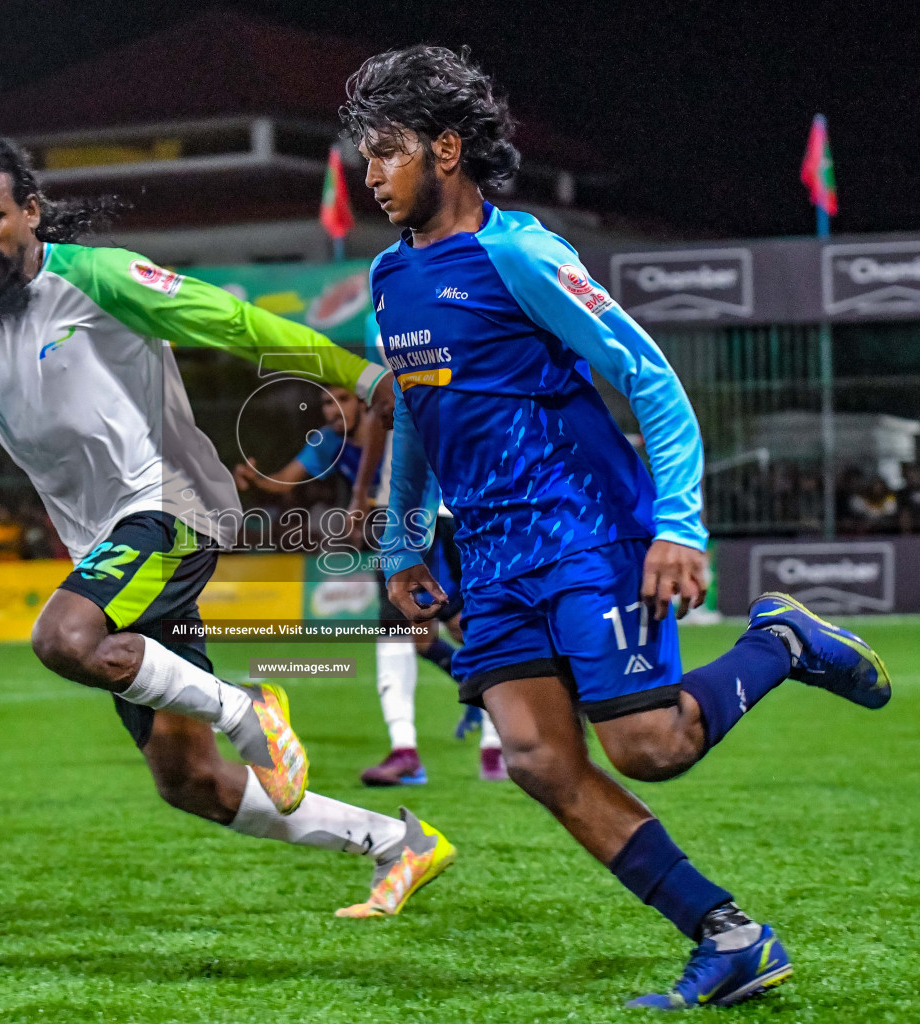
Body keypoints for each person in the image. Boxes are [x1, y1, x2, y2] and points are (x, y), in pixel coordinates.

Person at [344, 45, 892, 1008]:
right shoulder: (390, 279)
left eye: (386, 152)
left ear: (447, 148)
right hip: (492, 557)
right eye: (363, 154)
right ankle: (730, 936)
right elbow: (420, 417)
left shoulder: (520, 253)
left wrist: (678, 526)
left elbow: (650, 377)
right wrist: (402, 546)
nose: (370, 174)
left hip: (588, 530)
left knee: (650, 747)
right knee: (540, 762)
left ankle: (782, 642)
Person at [0, 132, 454, 918]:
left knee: (62, 639)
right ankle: (396, 844)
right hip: (107, 544)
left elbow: (236, 325)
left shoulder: (98, 278)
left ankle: (249, 709)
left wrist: (364, 372)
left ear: (30, 211)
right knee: (190, 782)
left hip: (173, 507)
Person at [231, 382, 505, 784]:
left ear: (365, 403)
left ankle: (497, 738)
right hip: (399, 528)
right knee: (404, 632)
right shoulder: (330, 442)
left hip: (442, 520)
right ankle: (411, 749)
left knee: (462, 629)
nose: (331, 410)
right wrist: (253, 477)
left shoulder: (398, 410)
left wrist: (360, 495)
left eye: (340, 400)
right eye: (325, 402)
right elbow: (285, 481)